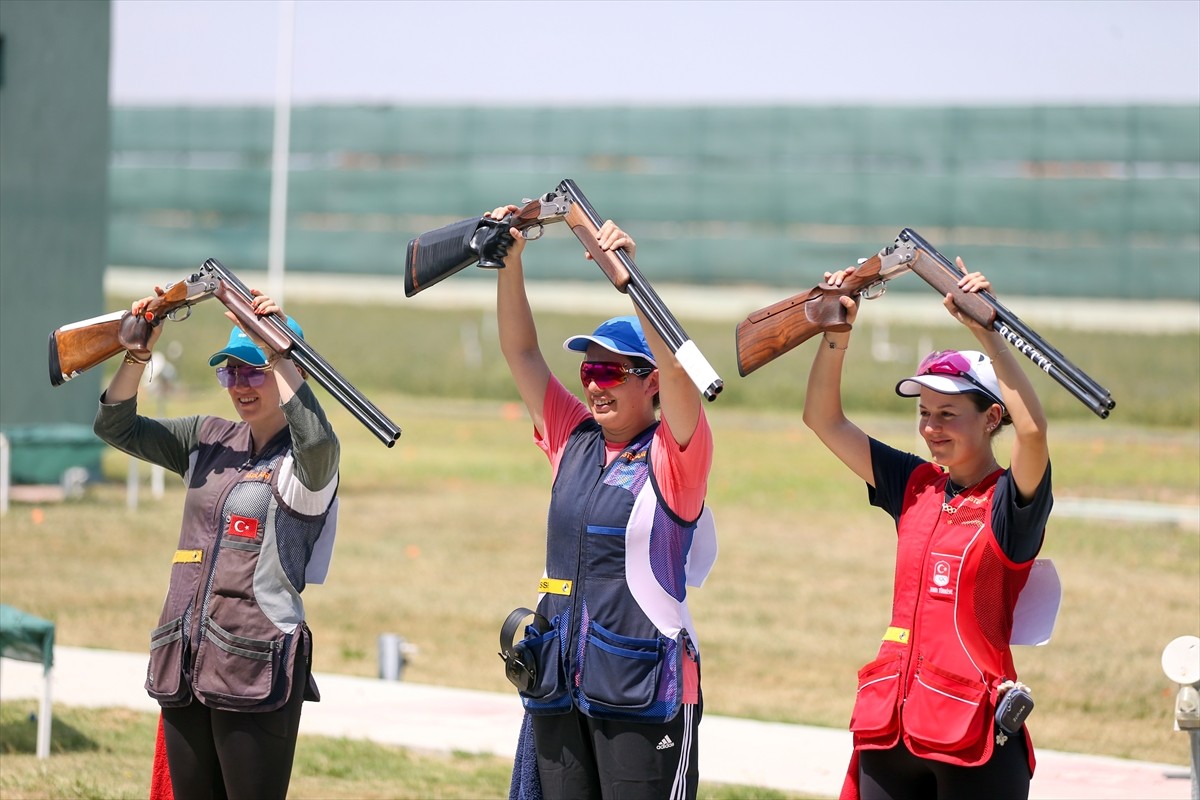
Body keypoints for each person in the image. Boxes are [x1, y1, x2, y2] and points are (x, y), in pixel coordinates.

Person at [489, 205, 718, 800]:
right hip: (560, 678)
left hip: (647, 690)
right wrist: (508, 261)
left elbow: (682, 375)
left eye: (612, 372)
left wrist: (631, 279)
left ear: (651, 381)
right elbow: (522, 353)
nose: (593, 383)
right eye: (590, 368)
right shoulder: (574, 437)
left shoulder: (676, 455)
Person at [802, 262, 1052, 800]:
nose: (931, 429)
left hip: (971, 736)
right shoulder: (915, 483)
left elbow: (1033, 433)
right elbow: (823, 420)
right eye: (924, 413)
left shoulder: (1010, 503)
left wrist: (987, 330)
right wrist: (836, 337)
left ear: (991, 417)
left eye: (948, 414)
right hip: (889, 724)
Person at [93, 289, 340, 800]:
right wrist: (137, 354)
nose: (239, 386)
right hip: (184, 659)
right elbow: (114, 425)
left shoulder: (307, 464)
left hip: (255, 665)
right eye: (230, 373)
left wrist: (277, 351)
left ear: (286, 369)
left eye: (253, 371)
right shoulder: (206, 436)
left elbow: (317, 440)